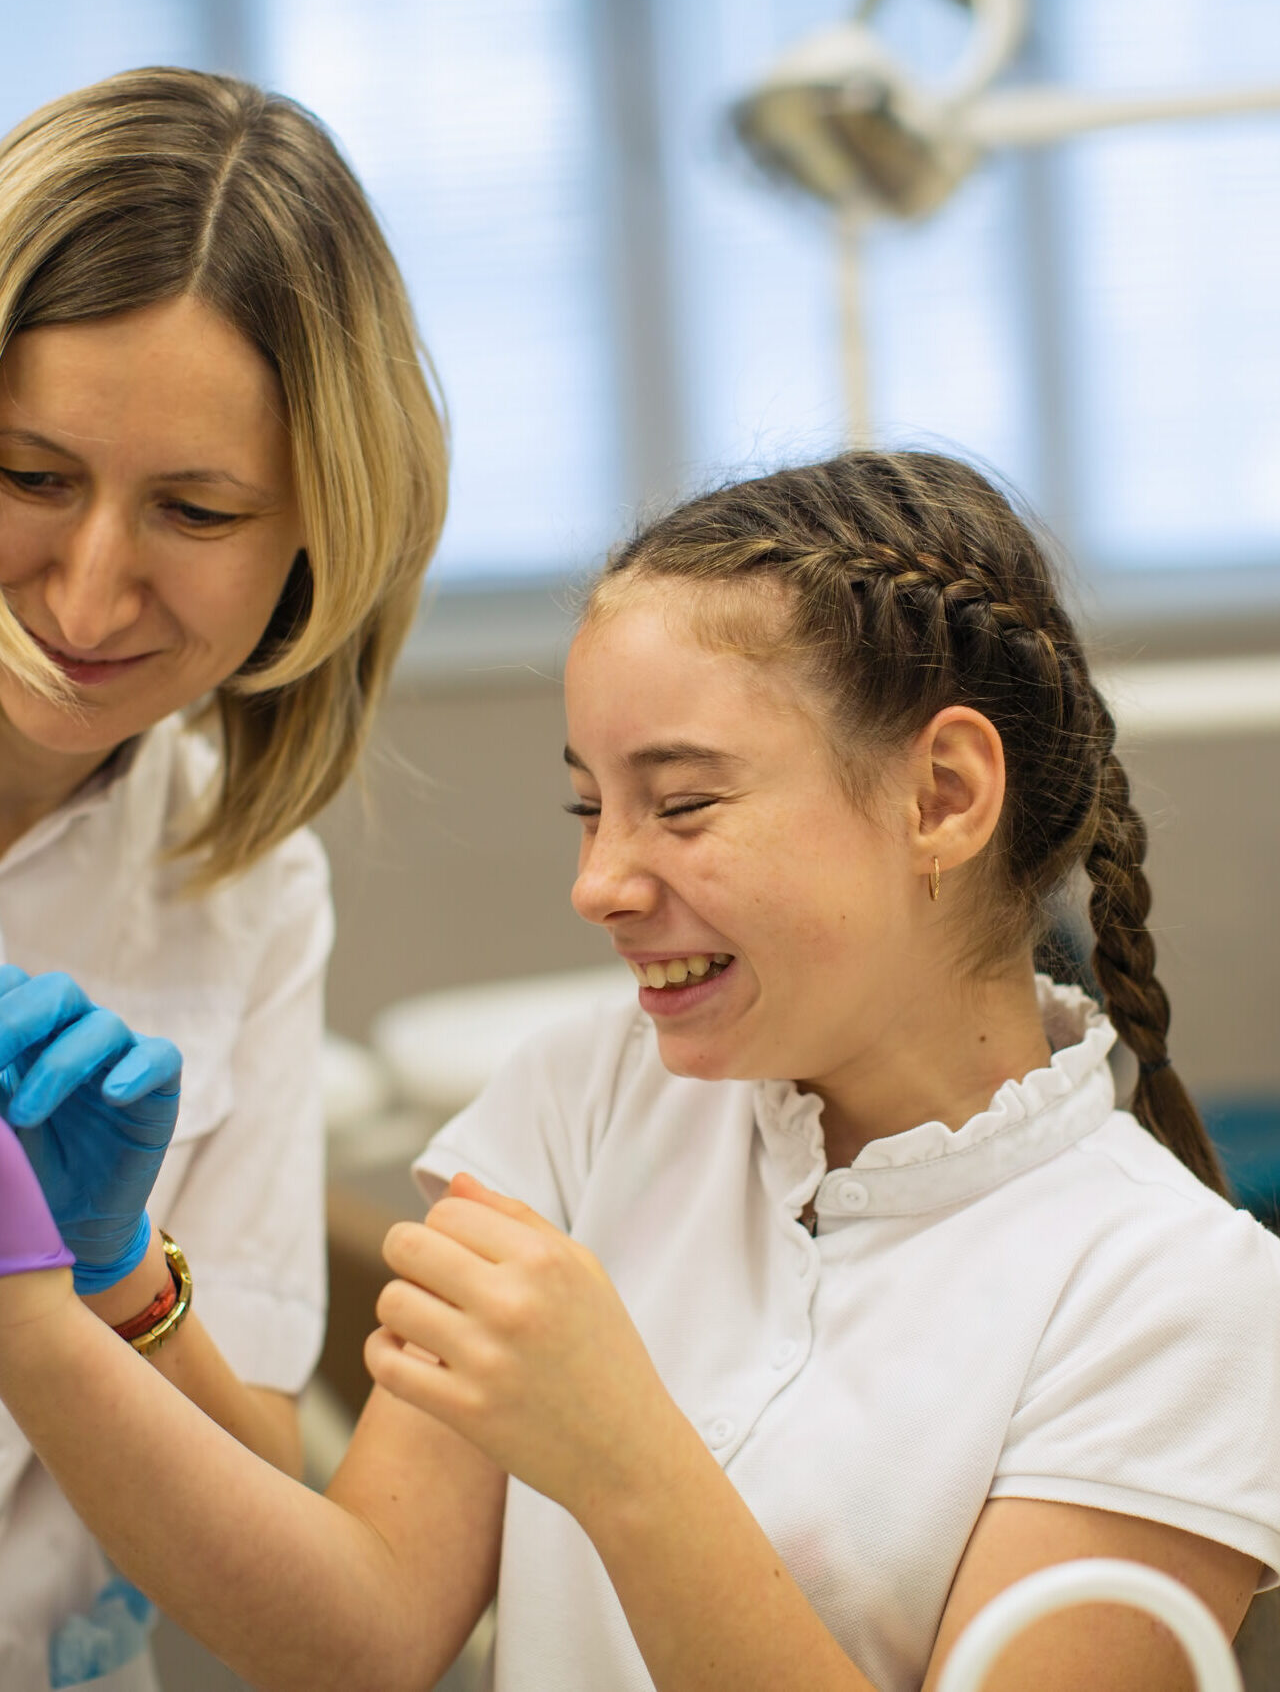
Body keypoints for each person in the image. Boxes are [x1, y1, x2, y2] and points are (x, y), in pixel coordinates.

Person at [2, 450, 1279, 1692]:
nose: (597, 884)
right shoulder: (584, 1099)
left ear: (940, 794)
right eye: (588, 809)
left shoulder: (1174, 1299)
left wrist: (625, 1463)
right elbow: (357, 1641)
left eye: (678, 805)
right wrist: (68, 1290)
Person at [0, 65, 445, 1691]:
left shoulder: (245, 885)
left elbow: (271, 1520)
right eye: (29, 476)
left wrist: (109, 1270)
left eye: (194, 508)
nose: (91, 588)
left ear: (315, 538)